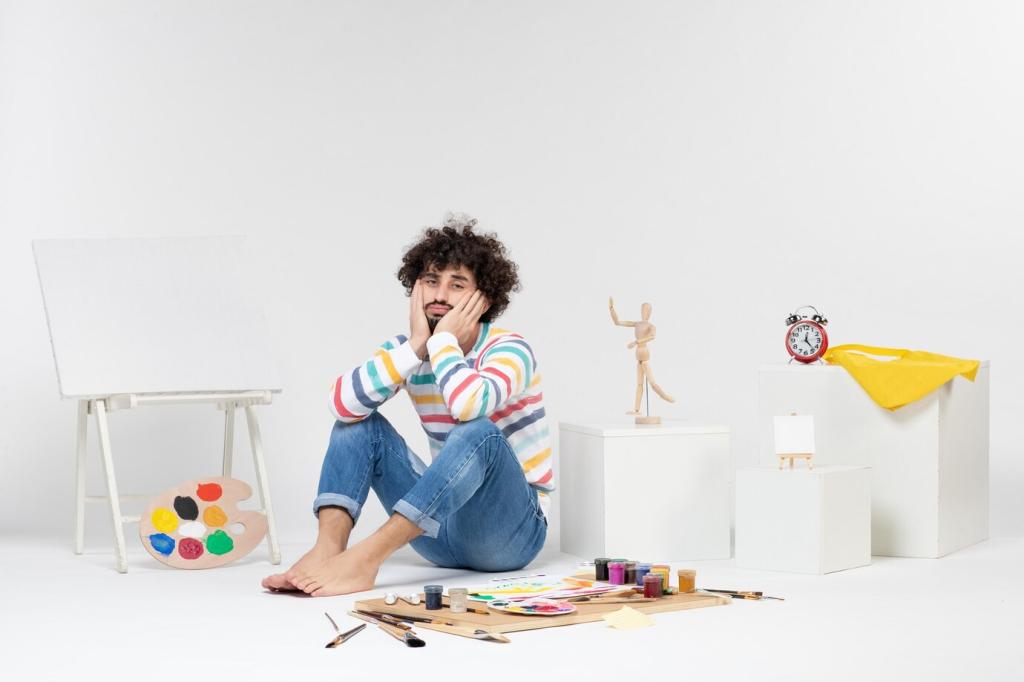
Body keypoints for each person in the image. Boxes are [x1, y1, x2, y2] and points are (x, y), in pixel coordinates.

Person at [262, 214, 553, 597]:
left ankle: (368, 558)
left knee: (478, 432)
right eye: (431, 281)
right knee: (358, 422)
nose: (439, 295)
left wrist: (443, 341)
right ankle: (327, 552)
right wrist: (417, 346)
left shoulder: (509, 349)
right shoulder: (408, 350)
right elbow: (341, 405)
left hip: (508, 535)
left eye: (457, 285)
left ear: (483, 299)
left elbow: (468, 406)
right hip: (437, 533)